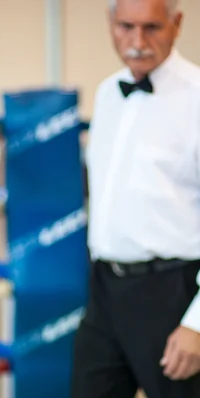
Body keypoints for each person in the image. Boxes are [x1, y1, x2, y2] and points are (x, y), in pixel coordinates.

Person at [71, 0, 200, 397]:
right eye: (126, 26)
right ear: (110, 23)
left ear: (176, 25)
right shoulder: (109, 92)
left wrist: (197, 323)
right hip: (104, 290)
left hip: (174, 291)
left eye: (152, 28)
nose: (137, 41)